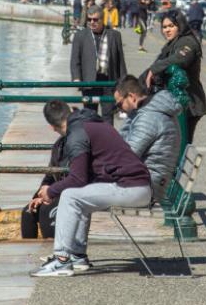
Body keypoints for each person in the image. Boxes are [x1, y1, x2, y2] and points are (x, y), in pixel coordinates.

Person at [30, 101, 152, 277]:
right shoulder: (92, 122)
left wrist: (50, 191)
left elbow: (77, 178)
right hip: (137, 186)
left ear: (52, 127)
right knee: (80, 195)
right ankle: (77, 255)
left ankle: (61, 261)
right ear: (70, 110)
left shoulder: (77, 134)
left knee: (71, 196)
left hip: (132, 188)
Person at [113, 75, 182, 203]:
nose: (119, 109)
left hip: (147, 186)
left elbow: (128, 156)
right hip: (148, 179)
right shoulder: (149, 111)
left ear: (132, 97)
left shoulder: (149, 118)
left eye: (120, 104)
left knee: (79, 195)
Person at [144, 10, 206, 143]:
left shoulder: (188, 41)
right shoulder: (171, 44)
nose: (167, 30)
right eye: (164, 27)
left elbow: (179, 59)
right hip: (173, 102)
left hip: (189, 103)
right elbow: (157, 64)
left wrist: (154, 69)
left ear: (180, 25)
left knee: (182, 144)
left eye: (171, 26)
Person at [70, 5, 127, 124]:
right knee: (89, 116)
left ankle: (107, 141)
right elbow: (75, 60)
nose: (92, 22)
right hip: (89, 81)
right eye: (89, 19)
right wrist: (76, 78)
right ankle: (91, 141)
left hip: (108, 82)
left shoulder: (114, 36)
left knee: (108, 116)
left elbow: (120, 62)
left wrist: (124, 84)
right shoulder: (80, 36)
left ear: (102, 19)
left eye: (95, 20)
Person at [21, 136, 65, 239]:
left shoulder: (78, 145)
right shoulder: (59, 143)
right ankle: (29, 254)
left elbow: (77, 178)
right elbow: (49, 176)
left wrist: (51, 193)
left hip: (70, 192)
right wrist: (39, 195)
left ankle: (53, 251)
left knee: (47, 209)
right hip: (55, 191)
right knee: (28, 211)